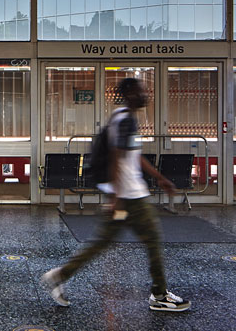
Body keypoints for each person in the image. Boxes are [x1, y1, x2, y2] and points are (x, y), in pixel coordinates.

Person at [41, 78, 190, 313]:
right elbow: (116, 157)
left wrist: (158, 177)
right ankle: (159, 294)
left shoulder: (122, 116)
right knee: (151, 239)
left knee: (103, 242)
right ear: (129, 93)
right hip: (129, 196)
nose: (145, 94)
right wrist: (117, 199)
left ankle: (60, 275)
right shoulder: (125, 120)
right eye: (140, 91)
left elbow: (133, 155)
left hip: (127, 194)